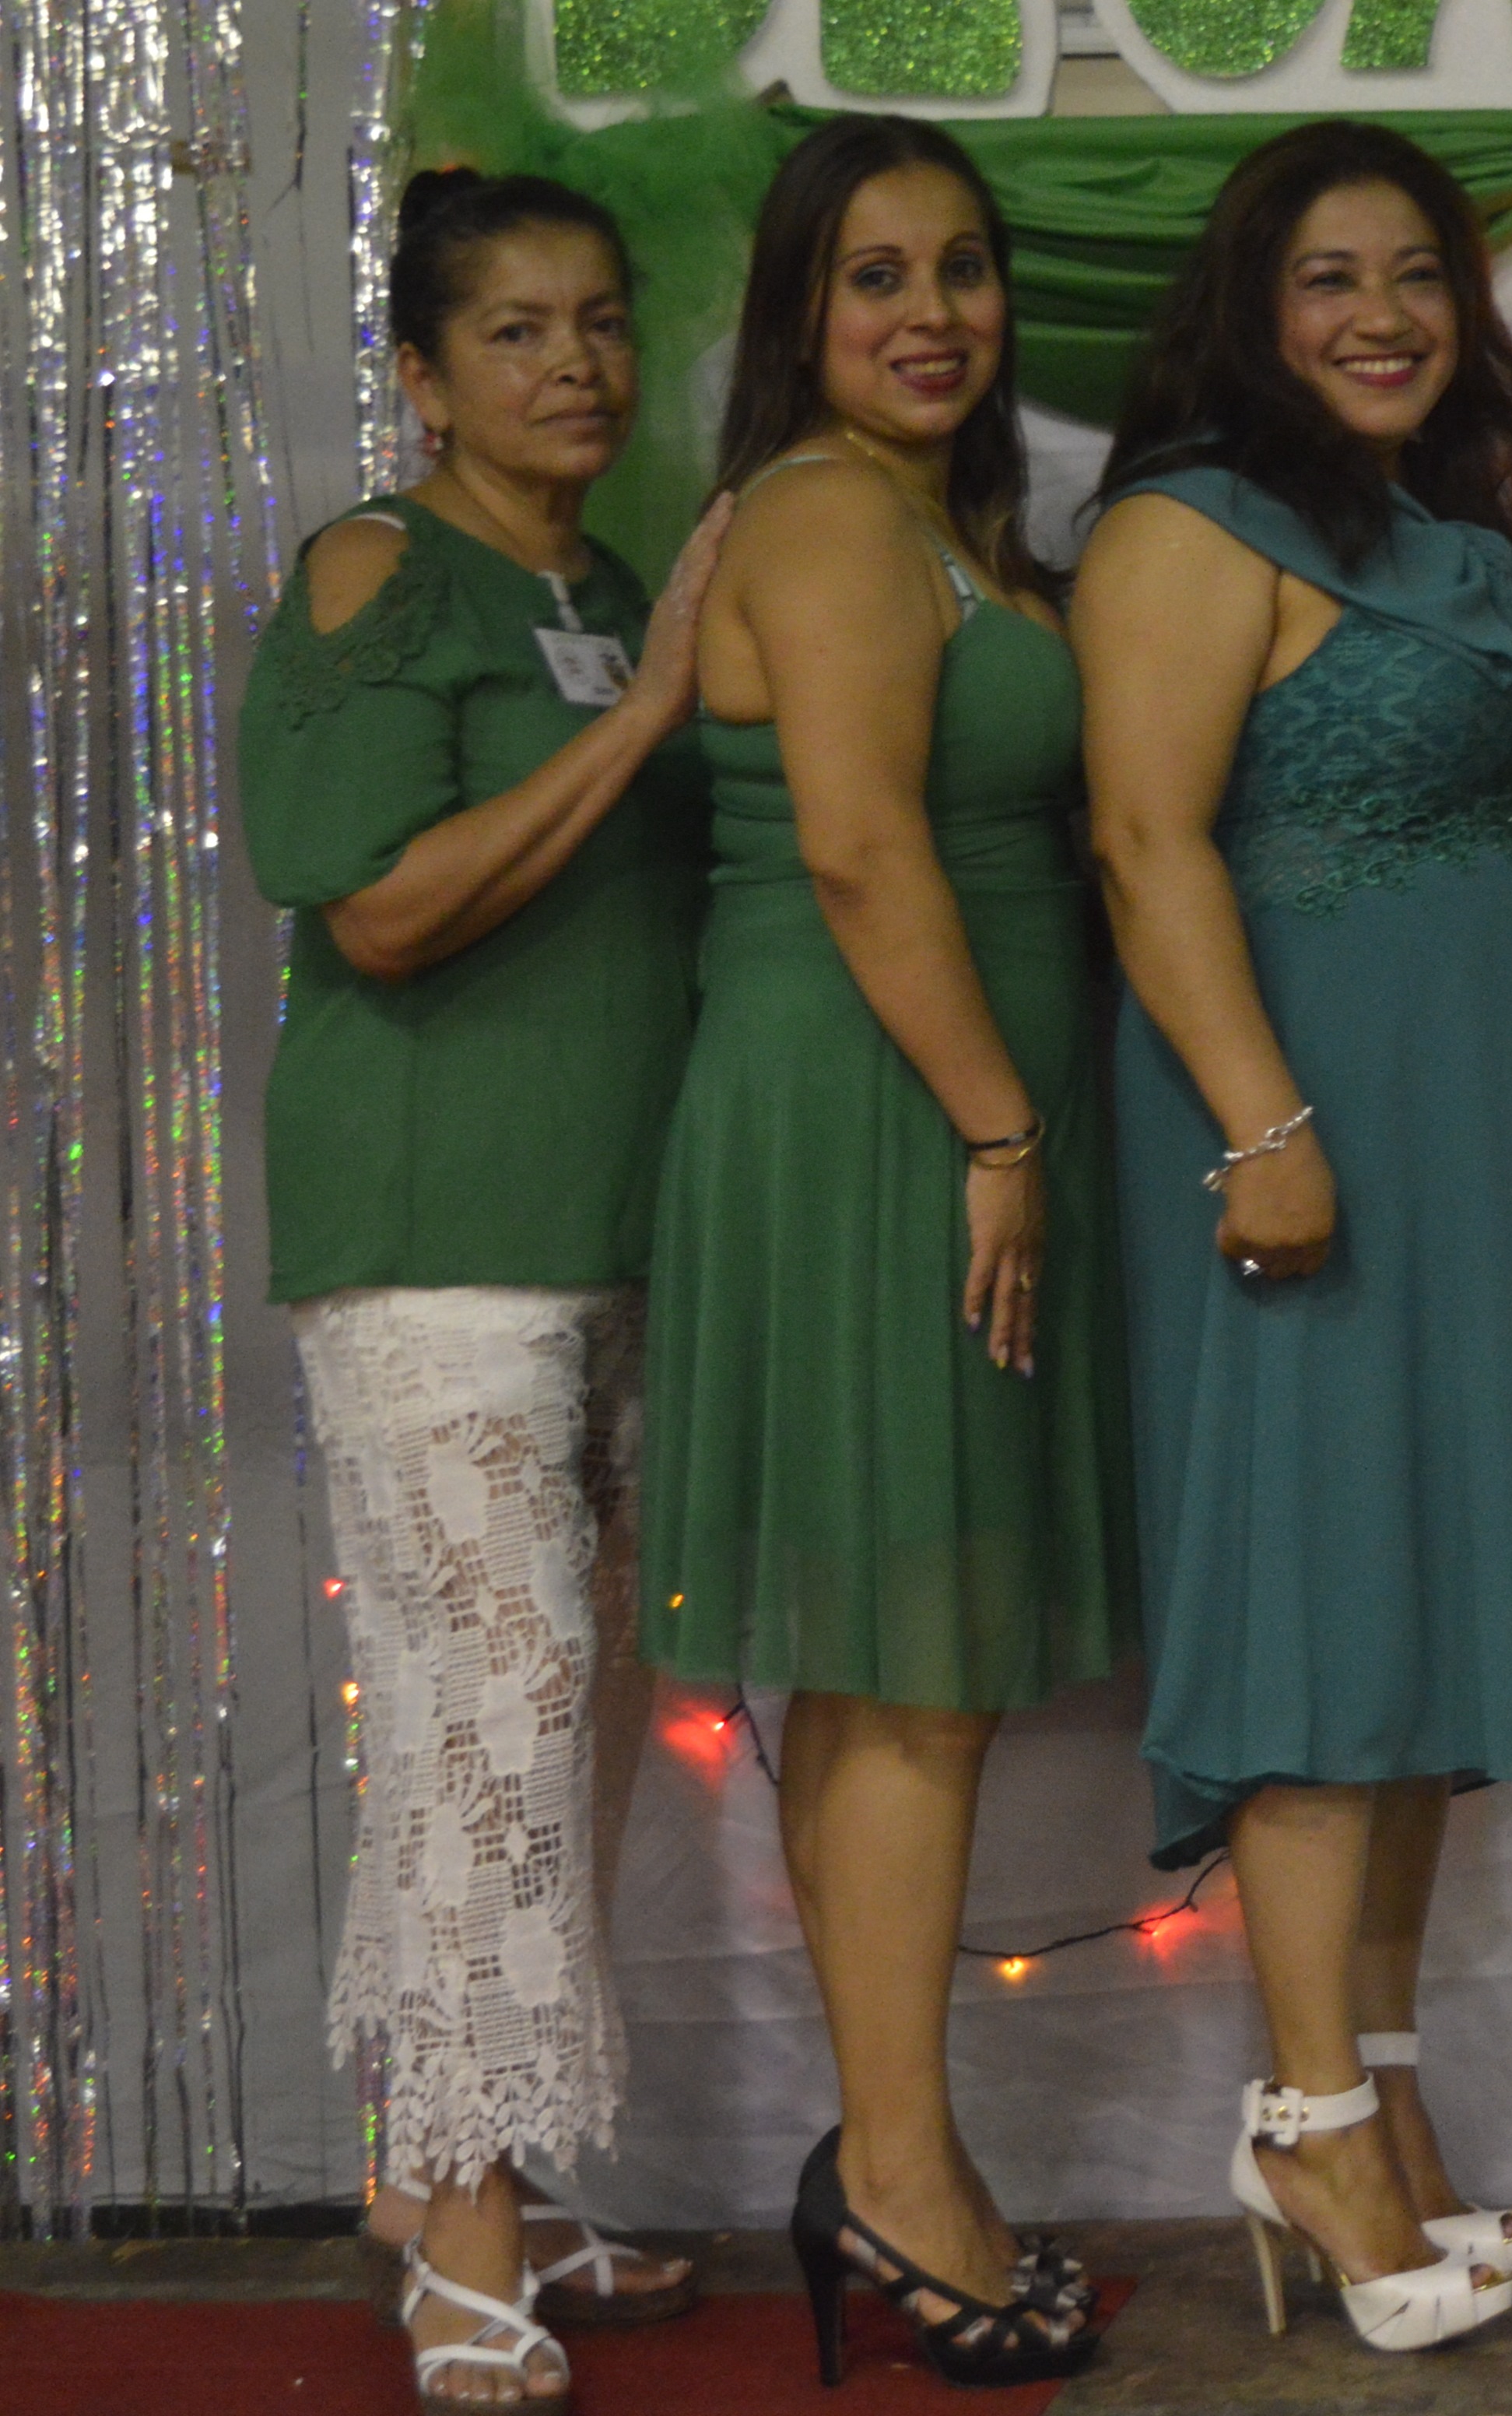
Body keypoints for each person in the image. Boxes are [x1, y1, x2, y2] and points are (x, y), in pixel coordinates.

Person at [1079, 122, 1512, 2354]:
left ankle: (1387, 2104)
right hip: (1301, 1130)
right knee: (1326, 1634)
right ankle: (1306, 2120)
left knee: (1410, 1645)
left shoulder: (1434, 534)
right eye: (1328, 277)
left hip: (1470, 1142)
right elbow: (1146, 845)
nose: (1384, 314)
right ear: (1252, 309)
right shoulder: (1186, 524)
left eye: (1416, 272)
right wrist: (1265, 1126)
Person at [637, 114, 1128, 2383]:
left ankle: (895, 2156)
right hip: (885, 1110)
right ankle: (906, 2181)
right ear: (800, 319)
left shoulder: (938, 522)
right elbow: (852, 845)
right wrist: (1001, 1126)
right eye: (875, 277)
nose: (932, 313)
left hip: (922, 1098)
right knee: (914, 1666)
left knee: (883, 1667)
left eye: (961, 267)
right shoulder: (833, 511)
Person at [244, 171, 721, 2406]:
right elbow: (378, 907)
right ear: (423, 377)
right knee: (494, 1711)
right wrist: (644, 723)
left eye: (600, 321)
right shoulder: (380, 567)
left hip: (610, 1222)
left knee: (556, 1723)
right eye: (516, 332)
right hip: (433, 1236)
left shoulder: (610, 586)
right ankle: (461, 2236)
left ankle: (461, 2167)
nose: (575, 366)